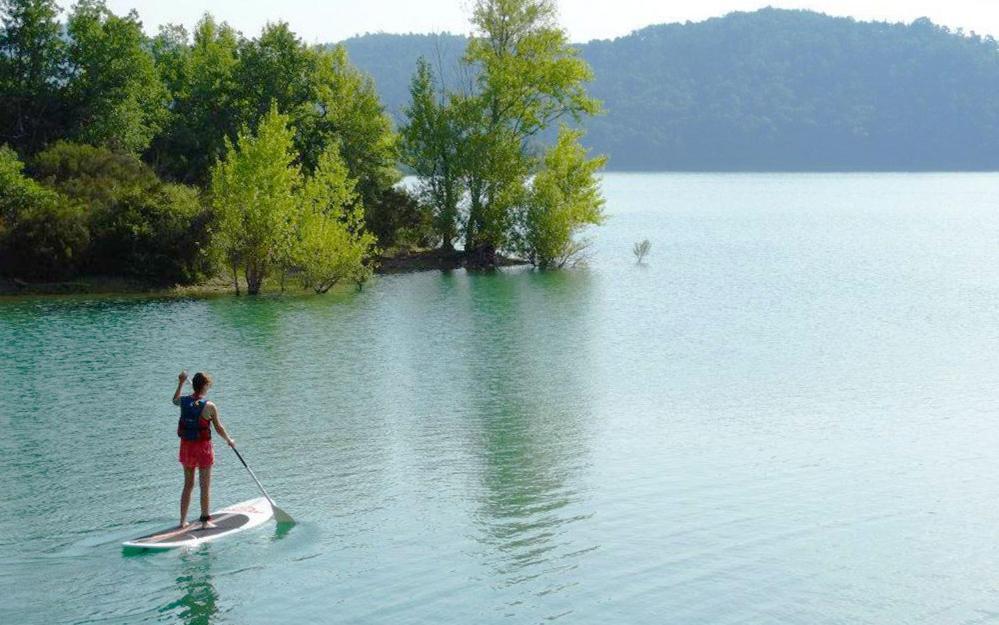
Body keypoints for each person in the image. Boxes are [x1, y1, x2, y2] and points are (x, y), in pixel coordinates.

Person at [172, 371, 235, 528]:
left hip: (186, 448)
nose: (209, 388)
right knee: (204, 485)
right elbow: (218, 427)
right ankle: (205, 521)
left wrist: (180, 382)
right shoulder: (210, 406)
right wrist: (229, 440)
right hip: (203, 449)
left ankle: (182, 521)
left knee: (188, 484)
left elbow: (174, 401)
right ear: (204, 386)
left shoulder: (184, 401)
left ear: (193, 385)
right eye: (208, 385)